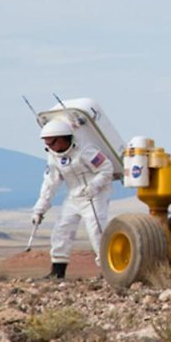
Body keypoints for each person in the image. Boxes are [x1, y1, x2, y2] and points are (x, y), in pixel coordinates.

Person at [31, 119, 114, 279]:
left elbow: (106, 169)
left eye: (52, 142)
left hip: (95, 195)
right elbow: (50, 183)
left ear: (64, 137)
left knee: (97, 231)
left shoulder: (86, 150)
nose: (49, 147)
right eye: (47, 144)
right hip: (74, 195)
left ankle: (108, 269)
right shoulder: (53, 157)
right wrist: (39, 208)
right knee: (62, 229)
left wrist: (94, 186)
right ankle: (58, 271)